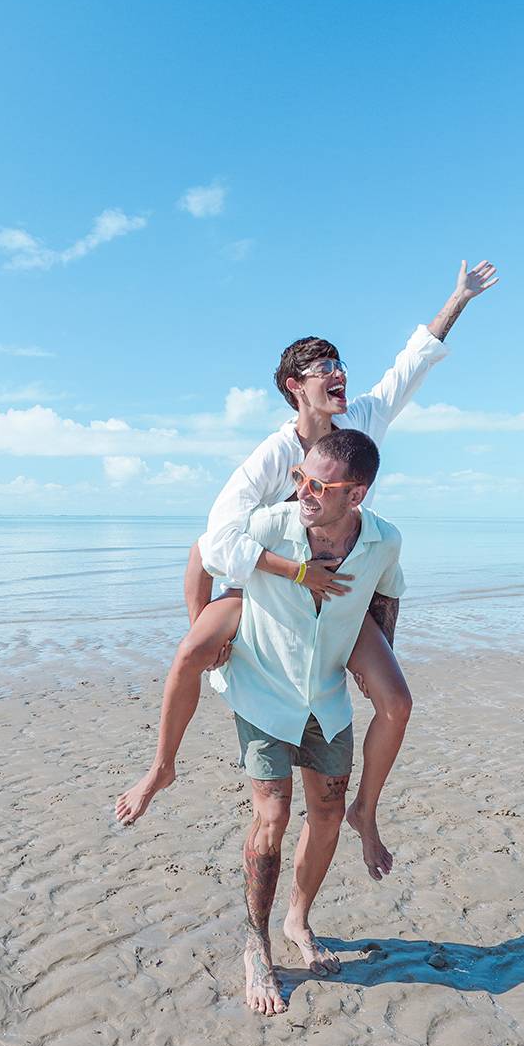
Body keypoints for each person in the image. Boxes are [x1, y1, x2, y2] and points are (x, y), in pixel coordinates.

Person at [115, 260, 499, 884]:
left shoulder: (362, 424)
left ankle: (364, 815)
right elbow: (212, 544)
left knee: (395, 699)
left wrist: (458, 299)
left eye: (339, 363)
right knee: (192, 649)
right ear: (296, 387)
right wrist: (286, 579)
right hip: (267, 588)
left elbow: (414, 362)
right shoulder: (274, 456)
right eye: (323, 369)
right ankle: (162, 766)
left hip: (339, 594)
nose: (338, 373)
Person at [215, 429, 404, 1014]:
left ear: (358, 494)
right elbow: (209, 551)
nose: (304, 492)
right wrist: (208, 627)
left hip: (325, 698)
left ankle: (298, 919)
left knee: (325, 814)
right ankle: (256, 946)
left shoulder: (382, 541)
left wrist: (372, 664)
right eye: (300, 478)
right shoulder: (273, 526)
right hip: (264, 692)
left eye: (319, 485)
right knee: (271, 816)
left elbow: (384, 600)